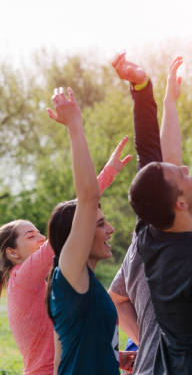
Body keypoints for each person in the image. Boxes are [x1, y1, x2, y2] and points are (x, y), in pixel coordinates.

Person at [108, 53, 192, 374]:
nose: (183, 167)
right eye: (180, 175)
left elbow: (150, 154)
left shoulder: (147, 237)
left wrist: (142, 90)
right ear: (180, 204)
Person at [0, 137, 131, 375]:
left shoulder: (49, 281)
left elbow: (64, 337)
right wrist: (108, 173)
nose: (41, 238)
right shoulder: (21, 279)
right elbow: (75, 219)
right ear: (12, 253)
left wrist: (112, 356)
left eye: (40, 232)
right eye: (31, 236)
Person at [44, 87, 122, 374]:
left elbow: (59, 361)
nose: (110, 229)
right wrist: (75, 127)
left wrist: (113, 358)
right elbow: (88, 196)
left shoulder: (80, 281)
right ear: (77, 233)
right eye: (99, 223)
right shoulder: (68, 274)